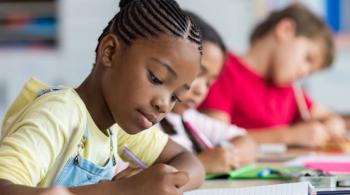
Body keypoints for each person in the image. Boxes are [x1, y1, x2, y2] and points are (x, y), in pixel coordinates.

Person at [0, 0, 205, 194]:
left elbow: (189, 161)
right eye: (156, 78)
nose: (164, 105)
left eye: (175, 97)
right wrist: (125, 190)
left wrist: (162, 182)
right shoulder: (59, 114)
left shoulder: (115, 125)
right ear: (110, 52)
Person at [200, 4, 346, 148]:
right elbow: (215, 138)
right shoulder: (224, 69)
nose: (304, 72)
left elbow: (329, 115)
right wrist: (290, 136)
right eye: (307, 58)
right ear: (286, 30)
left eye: (310, 72)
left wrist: (332, 123)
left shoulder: (288, 89)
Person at [158, 11, 256, 174]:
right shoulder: (146, 123)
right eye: (197, 74)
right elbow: (147, 177)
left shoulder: (188, 119)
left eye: (209, 83)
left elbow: (247, 142)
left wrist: (226, 156)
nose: (201, 90)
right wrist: (202, 164)